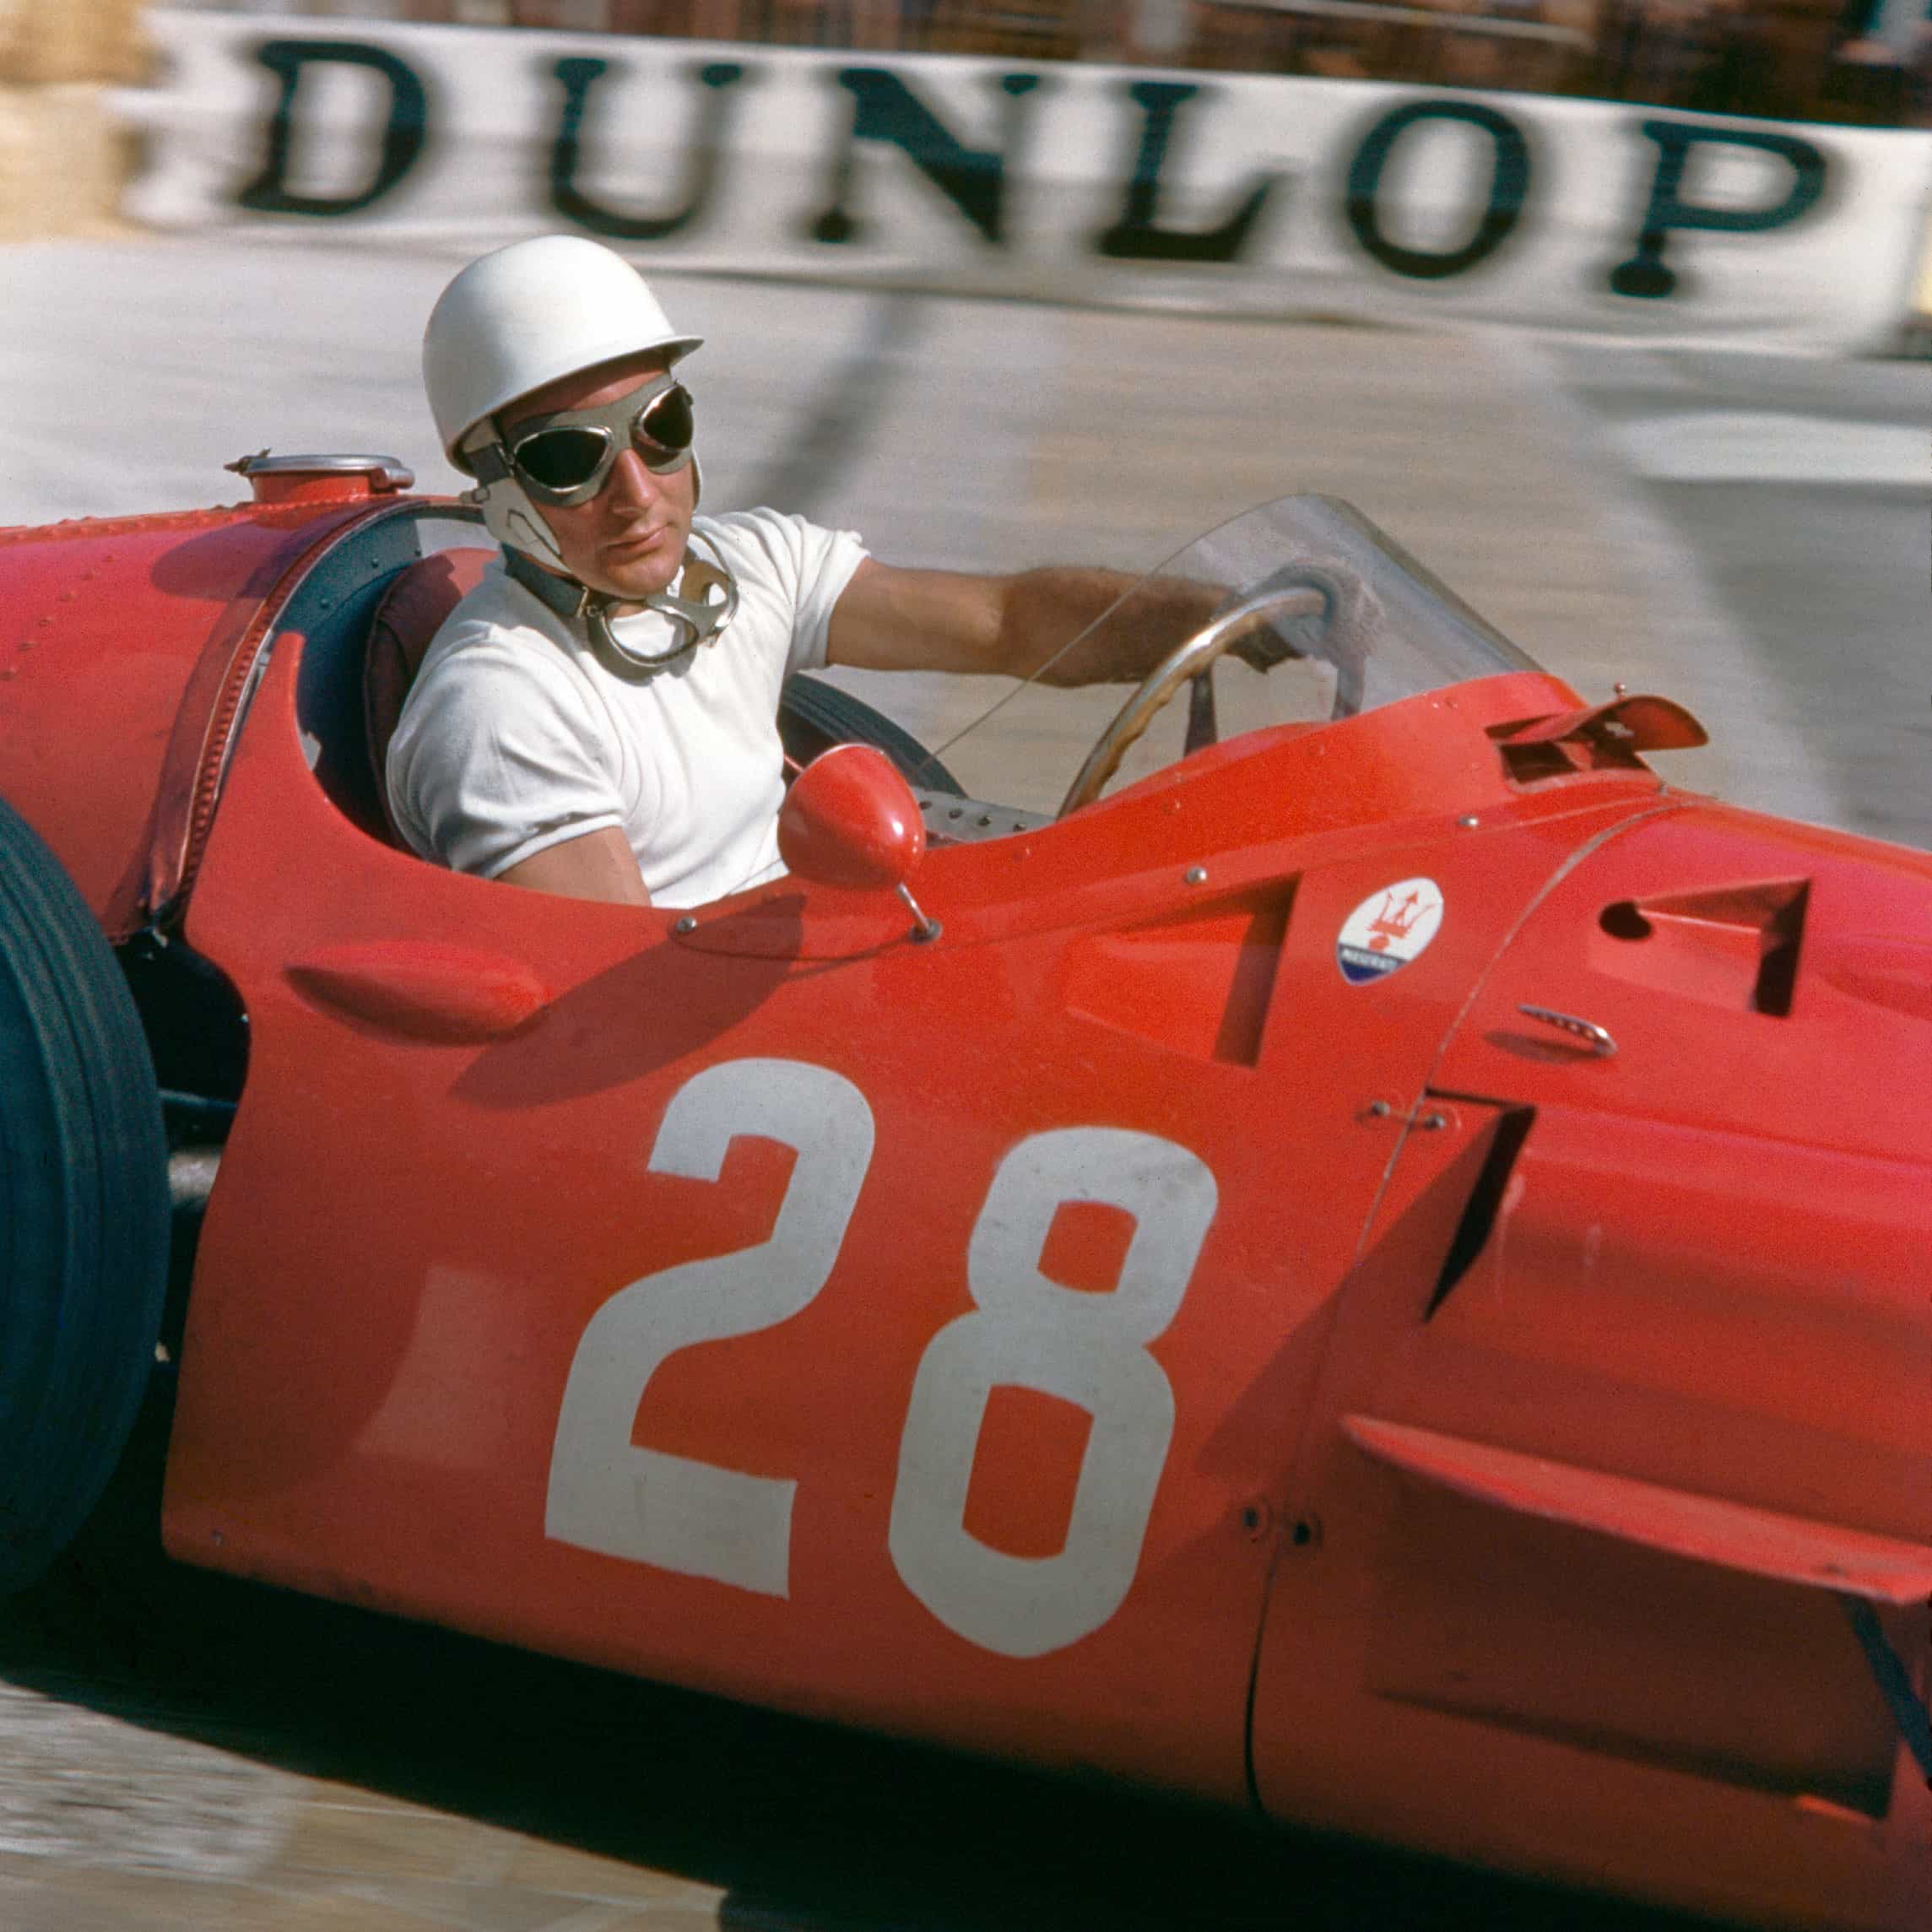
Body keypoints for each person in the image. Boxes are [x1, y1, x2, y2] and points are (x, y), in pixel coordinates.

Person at [391, 235, 1216, 908]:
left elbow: (1009, 623)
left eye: (657, 424)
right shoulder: (502, 703)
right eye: (569, 455)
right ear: (496, 487)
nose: (637, 492)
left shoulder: (748, 562)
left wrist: (1218, 619)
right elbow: (619, 1002)